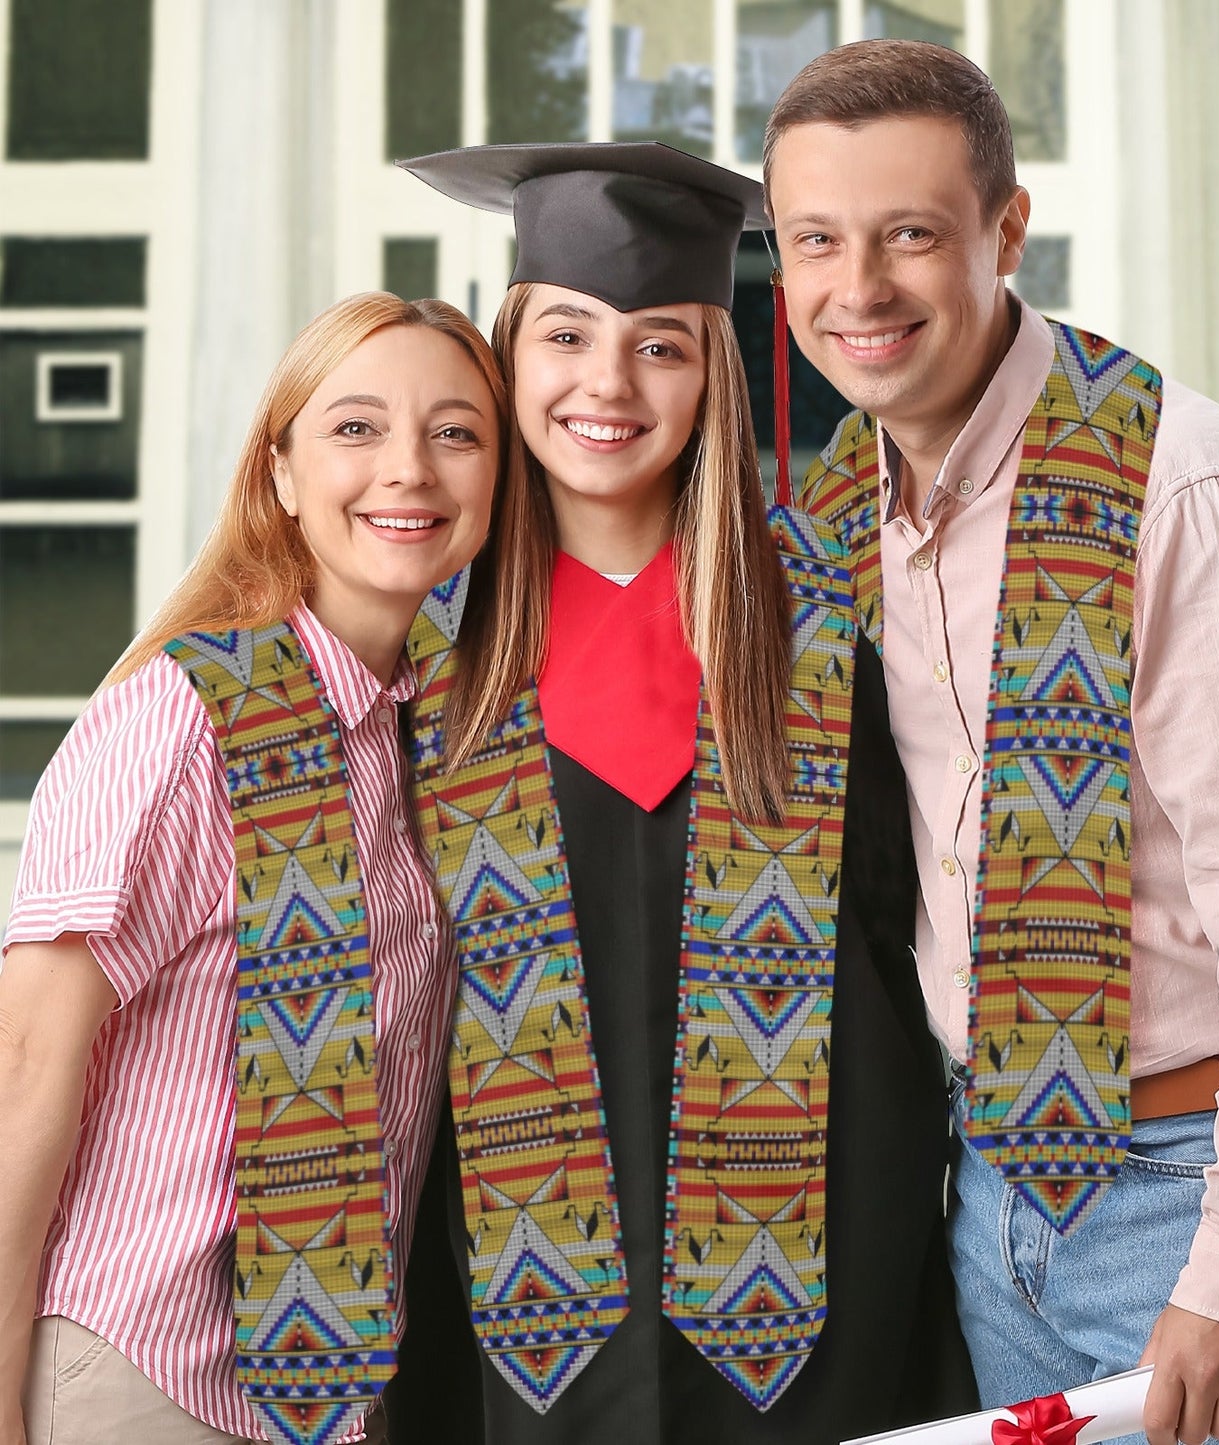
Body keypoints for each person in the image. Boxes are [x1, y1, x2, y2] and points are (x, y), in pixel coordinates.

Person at [761, 38, 1219, 1445]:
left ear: (1005, 231)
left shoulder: (1182, 494)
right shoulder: (845, 508)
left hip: (1185, 1191)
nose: (856, 288)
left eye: (910, 234)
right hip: (989, 1190)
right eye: (817, 239)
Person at [382, 141, 973, 1444]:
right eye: (568, 337)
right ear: (506, 354)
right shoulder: (418, 651)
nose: (607, 383)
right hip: (504, 1309)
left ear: (712, 372)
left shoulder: (832, 618)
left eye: (660, 345)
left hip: (818, 1297)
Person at [0, 292, 506, 1445]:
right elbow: (25, 1054)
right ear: (278, 473)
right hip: (141, 1370)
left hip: (326, 1391)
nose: (408, 469)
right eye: (356, 428)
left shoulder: (431, 734)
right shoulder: (179, 721)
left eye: (456, 432)